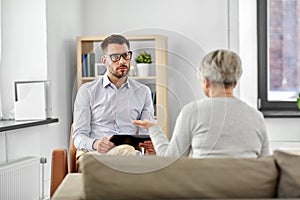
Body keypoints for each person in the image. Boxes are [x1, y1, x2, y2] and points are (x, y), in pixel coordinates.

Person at [133, 49, 270, 158]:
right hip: (248, 192)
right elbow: (265, 165)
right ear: (235, 82)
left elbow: (171, 160)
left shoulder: (193, 111)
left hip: (204, 191)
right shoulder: (256, 116)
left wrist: (153, 128)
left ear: (206, 82)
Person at [73, 34, 155, 157]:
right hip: (94, 154)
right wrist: (95, 143)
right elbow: (78, 137)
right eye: (115, 57)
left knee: (130, 152)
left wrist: (151, 143)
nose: (122, 61)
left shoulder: (143, 92)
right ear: (104, 61)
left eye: (126, 56)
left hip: (129, 153)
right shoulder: (87, 91)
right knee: (130, 155)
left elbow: (146, 133)